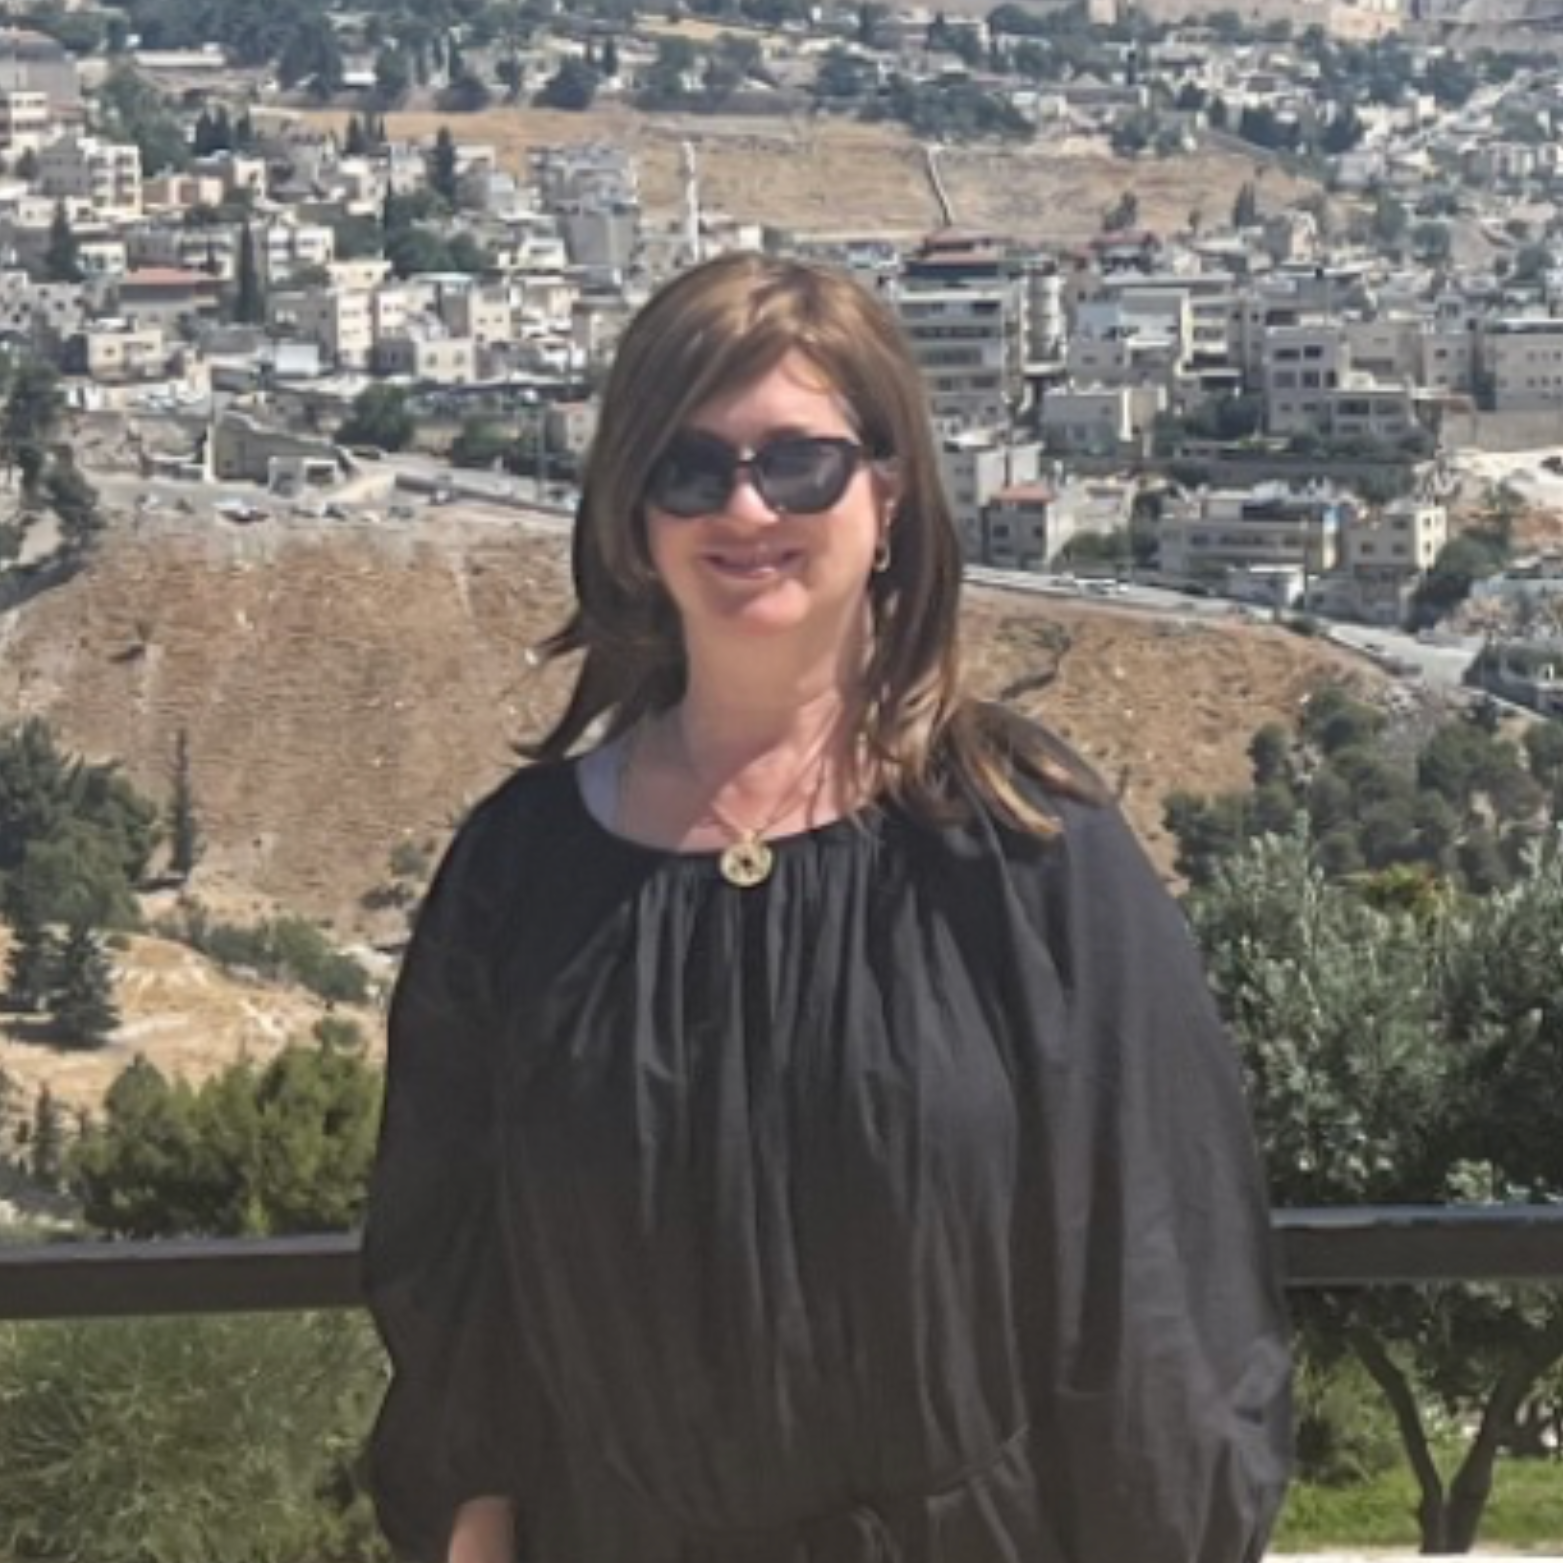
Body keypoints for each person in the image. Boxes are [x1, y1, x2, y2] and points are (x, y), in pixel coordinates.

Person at [362, 251, 1293, 1563]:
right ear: (633, 515)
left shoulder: (1029, 850)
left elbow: (1159, 1285)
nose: (745, 506)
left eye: (797, 461)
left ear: (889, 492)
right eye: (689, 468)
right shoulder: (520, 876)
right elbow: (449, 1272)